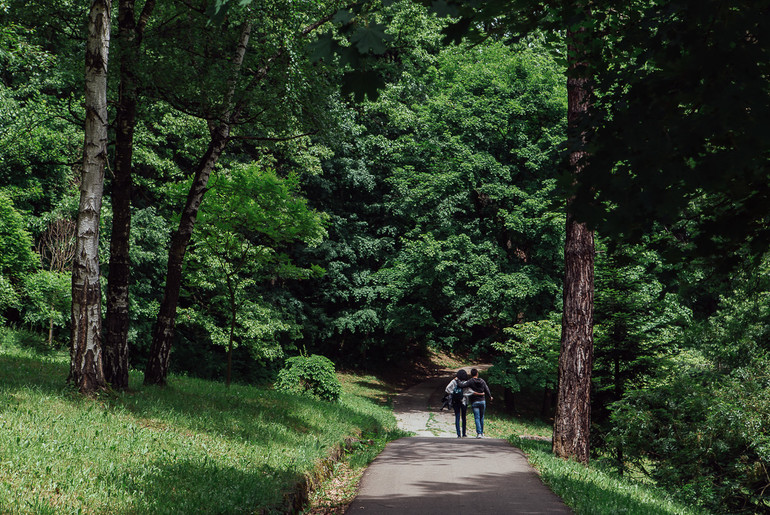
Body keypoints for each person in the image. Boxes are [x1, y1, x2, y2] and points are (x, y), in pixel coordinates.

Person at [459, 368, 493, 438]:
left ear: (471, 374)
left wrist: (457, 381)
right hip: (482, 401)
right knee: (482, 417)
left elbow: (462, 386)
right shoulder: (482, 381)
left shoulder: (470, 381)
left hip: (475, 402)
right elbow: (486, 388)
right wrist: (490, 396)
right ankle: (482, 432)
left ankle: (479, 433)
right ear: (477, 373)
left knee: (477, 418)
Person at [445, 369, 470, 438]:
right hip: (464, 401)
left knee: (457, 416)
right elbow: (469, 391)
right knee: (464, 417)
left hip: (456, 401)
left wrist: (453, 393)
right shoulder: (466, 382)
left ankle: (458, 434)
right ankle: (464, 433)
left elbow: (447, 389)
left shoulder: (454, 381)